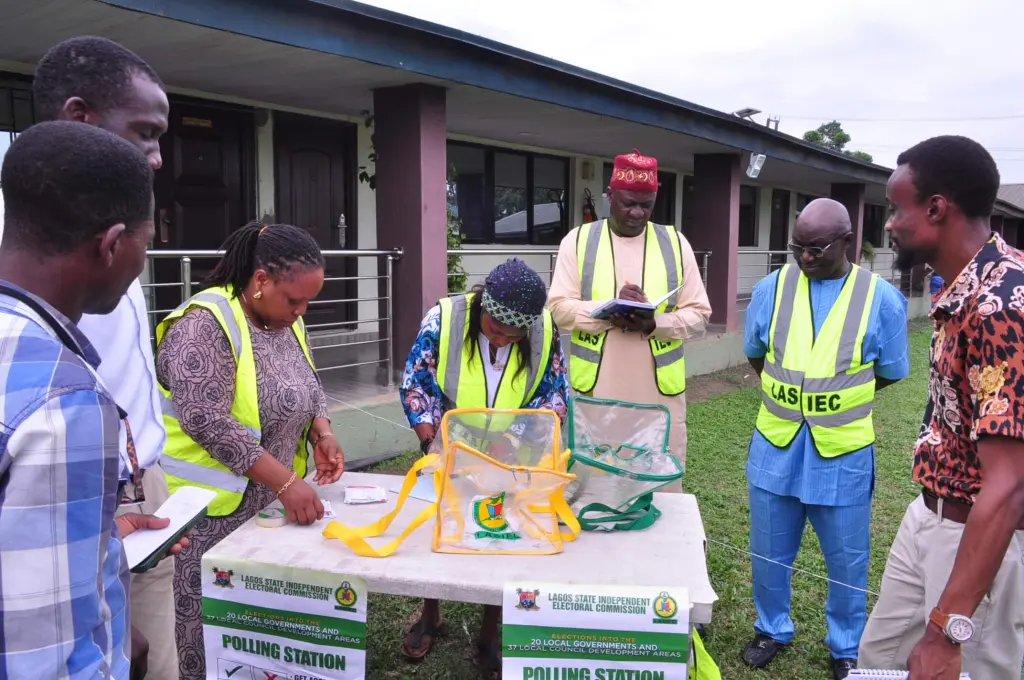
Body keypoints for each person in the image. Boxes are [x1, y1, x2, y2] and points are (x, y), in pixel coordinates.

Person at [0, 121, 187, 679]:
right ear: (110, 245)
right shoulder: (65, 400)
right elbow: (44, 657)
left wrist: (97, 539)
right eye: (146, 244)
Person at [859, 136, 1024, 680]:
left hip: (978, 543)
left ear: (936, 207)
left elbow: (1010, 486)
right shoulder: (959, 292)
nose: (889, 224)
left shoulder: (1002, 305)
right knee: (879, 663)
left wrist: (945, 627)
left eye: (895, 207)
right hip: (928, 515)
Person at [155, 221, 346, 678]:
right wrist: (286, 481)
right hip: (205, 518)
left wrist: (323, 432)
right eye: (294, 300)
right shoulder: (203, 324)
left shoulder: (283, 321)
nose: (301, 312)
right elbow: (206, 420)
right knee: (208, 633)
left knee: (259, 632)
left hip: (264, 507)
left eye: (308, 302)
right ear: (260, 281)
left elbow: (308, 383)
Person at [740, 198, 910, 679]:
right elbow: (755, 352)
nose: (805, 257)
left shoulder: (882, 298)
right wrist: (794, 395)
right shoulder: (771, 289)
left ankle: (845, 646)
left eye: (816, 248)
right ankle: (772, 628)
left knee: (848, 559)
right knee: (769, 549)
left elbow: (892, 371)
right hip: (776, 442)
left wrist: (835, 397)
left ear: (847, 241)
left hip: (843, 451)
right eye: (798, 247)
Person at [399, 257, 569, 677]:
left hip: (509, 451)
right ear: (482, 307)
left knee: (499, 532)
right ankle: (431, 612)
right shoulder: (444, 320)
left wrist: (515, 442)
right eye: (497, 330)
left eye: (516, 336)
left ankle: (490, 630)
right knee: (443, 527)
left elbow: (554, 396)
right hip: (447, 442)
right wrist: (432, 441)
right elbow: (415, 382)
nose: (506, 340)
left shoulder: (544, 330)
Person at [548, 149, 711, 476]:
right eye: (627, 203)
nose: (637, 212)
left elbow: (699, 314)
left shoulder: (675, 243)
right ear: (609, 196)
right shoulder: (578, 241)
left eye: (645, 205)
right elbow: (558, 309)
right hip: (596, 388)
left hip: (657, 392)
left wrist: (656, 323)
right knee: (596, 477)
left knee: (658, 476)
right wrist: (605, 310)